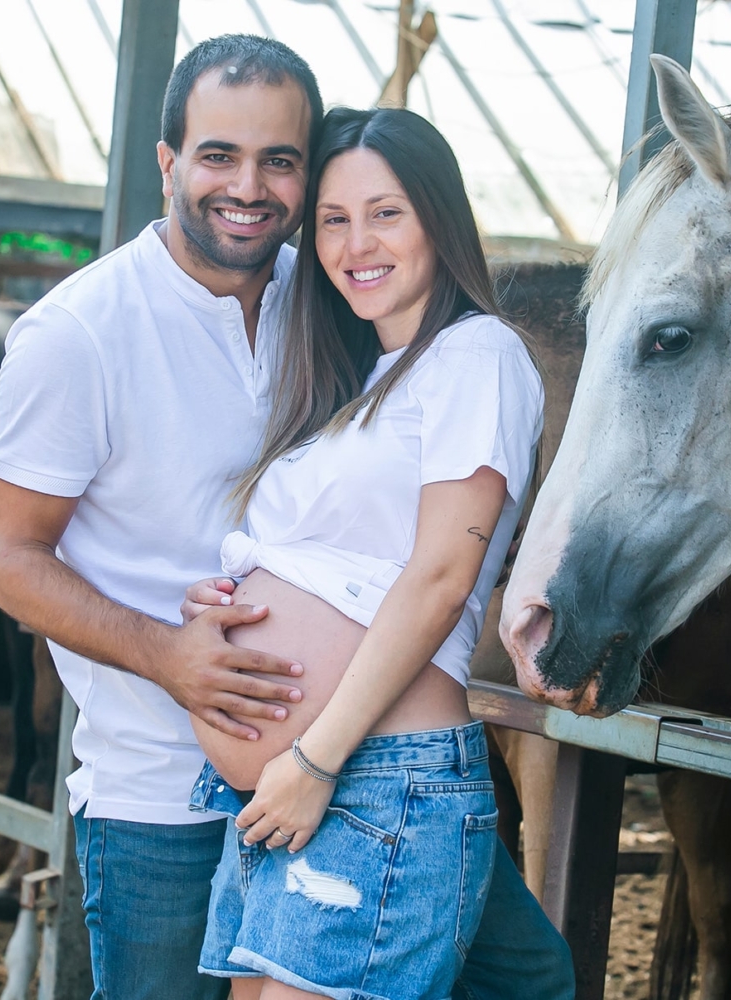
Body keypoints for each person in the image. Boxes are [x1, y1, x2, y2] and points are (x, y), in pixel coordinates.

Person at [0, 34, 574, 1000]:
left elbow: (417, 549)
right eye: (219, 154)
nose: (248, 186)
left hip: (354, 767)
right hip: (162, 784)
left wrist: (310, 743)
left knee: (526, 978)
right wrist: (169, 649)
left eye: (281, 161)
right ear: (169, 162)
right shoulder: (79, 333)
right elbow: (11, 560)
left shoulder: (338, 296)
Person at [184, 104, 542, 1000]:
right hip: (284, 789)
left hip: (372, 777)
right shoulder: (360, 382)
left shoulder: (478, 354)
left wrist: (313, 761)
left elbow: (439, 578)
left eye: (385, 213)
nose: (354, 245)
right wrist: (221, 607)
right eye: (334, 221)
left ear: (439, 219)